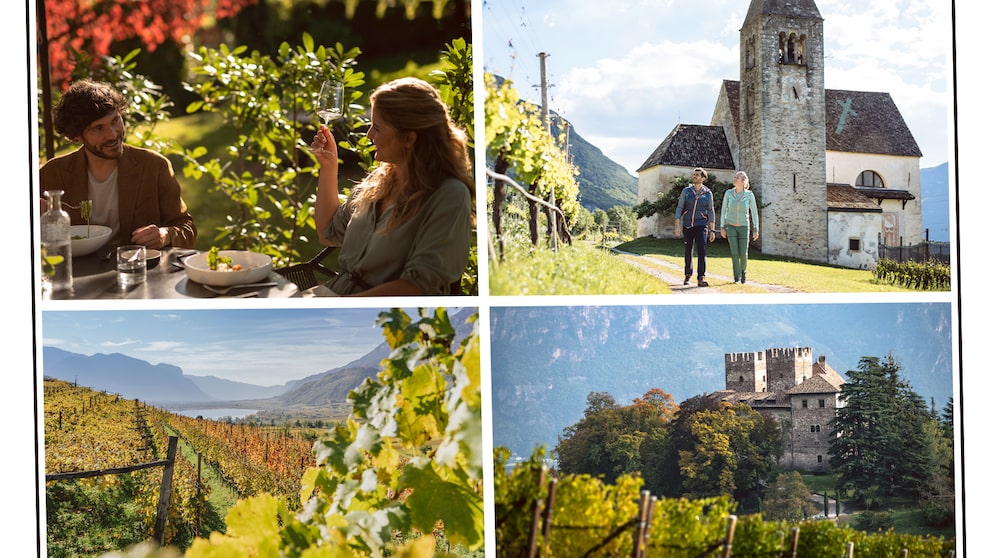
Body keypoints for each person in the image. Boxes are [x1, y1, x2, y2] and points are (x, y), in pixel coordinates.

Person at [308, 77, 474, 296]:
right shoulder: (379, 181)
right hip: (335, 296)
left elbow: (419, 287)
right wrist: (328, 166)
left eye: (377, 128)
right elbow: (328, 232)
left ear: (409, 138)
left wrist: (339, 306)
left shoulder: (448, 196)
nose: (369, 135)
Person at [40, 80, 197, 250]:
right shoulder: (52, 174)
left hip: (137, 270)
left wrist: (165, 235)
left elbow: (186, 229)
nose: (113, 134)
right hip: (77, 272)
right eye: (99, 128)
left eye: (115, 120)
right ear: (76, 135)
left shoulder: (155, 167)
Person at [675, 167, 716, 287]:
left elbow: (711, 211)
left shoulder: (708, 193)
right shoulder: (686, 191)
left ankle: (701, 278)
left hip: (701, 225)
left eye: (697, 175)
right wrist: (677, 225)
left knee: (702, 251)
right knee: (688, 250)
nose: (695, 176)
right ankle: (688, 275)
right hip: (688, 225)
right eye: (694, 174)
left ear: (703, 178)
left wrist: (712, 230)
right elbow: (679, 208)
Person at [720, 171, 760, 283]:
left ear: (743, 181)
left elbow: (754, 212)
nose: (734, 178)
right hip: (730, 226)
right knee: (734, 252)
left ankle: (743, 272)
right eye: (735, 177)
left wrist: (756, 228)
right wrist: (722, 226)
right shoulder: (728, 193)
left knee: (743, 253)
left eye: (737, 177)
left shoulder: (749, 195)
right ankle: (736, 277)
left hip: (744, 226)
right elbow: (724, 211)